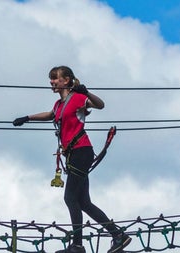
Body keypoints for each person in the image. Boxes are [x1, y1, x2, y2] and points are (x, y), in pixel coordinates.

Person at [13, 66, 131, 253]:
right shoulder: (58, 105)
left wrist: (87, 92)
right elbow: (50, 115)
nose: (52, 82)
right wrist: (27, 118)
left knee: (70, 198)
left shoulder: (77, 98)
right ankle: (118, 236)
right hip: (73, 154)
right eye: (51, 79)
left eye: (55, 79)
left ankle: (77, 245)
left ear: (66, 80)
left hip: (81, 151)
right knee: (83, 202)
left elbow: (100, 105)